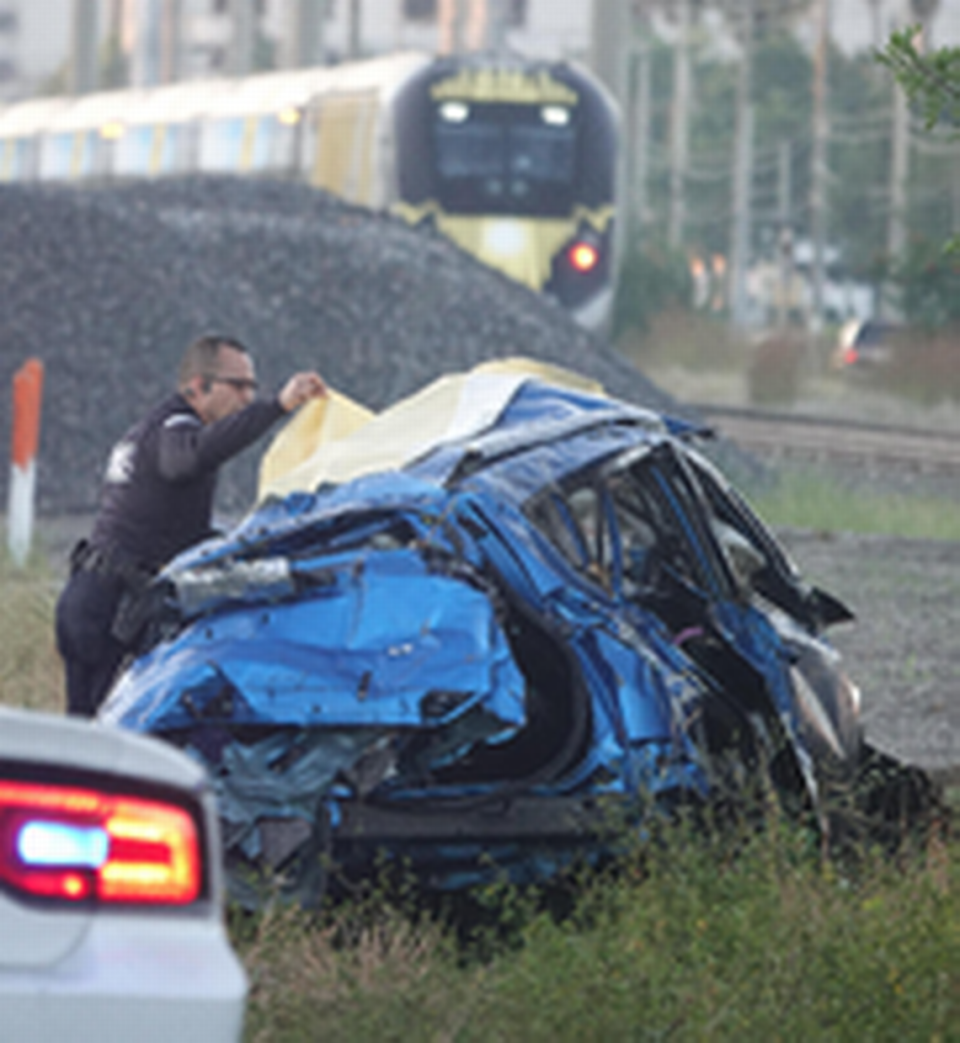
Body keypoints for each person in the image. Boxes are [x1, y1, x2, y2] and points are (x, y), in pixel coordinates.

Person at [56, 333, 327, 718]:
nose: (247, 397)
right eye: (238, 386)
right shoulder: (175, 426)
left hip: (96, 596)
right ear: (198, 386)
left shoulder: (155, 428)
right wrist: (278, 406)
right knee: (101, 743)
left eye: (253, 387)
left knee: (91, 736)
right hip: (108, 607)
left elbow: (182, 529)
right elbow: (186, 460)